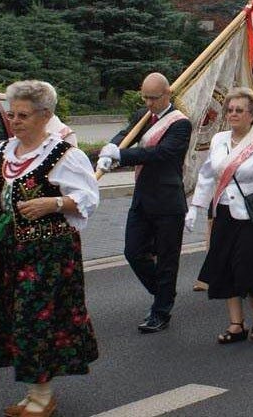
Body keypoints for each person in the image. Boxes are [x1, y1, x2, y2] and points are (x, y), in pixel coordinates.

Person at [0, 80, 99, 417]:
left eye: (23, 115)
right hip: (8, 251)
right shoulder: (2, 151)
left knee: (34, 319)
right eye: (11, 114)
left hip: (49, 254)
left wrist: (53, 203)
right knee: (14, 318)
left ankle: (42, 396)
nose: (15, 121)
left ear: (44, 116)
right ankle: (33, 392)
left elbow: (88, 198)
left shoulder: (64, 155)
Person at [189, 88, 253, 343]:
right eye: (230, 110)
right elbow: (207, 175)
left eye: (239, 110)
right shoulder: (219, 140)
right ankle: (236, 324)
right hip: (223, 212)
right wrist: (196, 206)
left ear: (252, 115)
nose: (233, 114)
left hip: (251, 216)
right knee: (224, 266)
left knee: (247, 268)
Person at [98, 73, 190, 333]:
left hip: (168, 202)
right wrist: (109, 149)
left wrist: (122, 155)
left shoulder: (180, 124)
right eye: (145, 97)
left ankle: (161, 311)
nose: (149, 103)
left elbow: (161, 153)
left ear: (167, 94)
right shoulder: (143, 115)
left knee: (167, 259)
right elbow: (125, 135)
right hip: (142, 199)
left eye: (154, 98)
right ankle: (164, 293)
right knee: (133, 252)